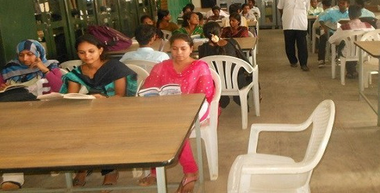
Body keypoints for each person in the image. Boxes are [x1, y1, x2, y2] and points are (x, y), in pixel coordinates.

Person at [137, 33, 214, 192]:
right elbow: (147, 89)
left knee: (176, 128)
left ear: (191, 49)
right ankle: (156, 168)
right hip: (166, 109)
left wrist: (184, 104)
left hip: (197, 108)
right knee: (150, 125)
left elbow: (205, 94)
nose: (179, 53)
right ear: (170, 49)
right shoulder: (162, 66)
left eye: (183, 49)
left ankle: (190, 171)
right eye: (175, 49)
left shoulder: (200, 66)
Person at [60, 34, 137, 189]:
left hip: (116, 109)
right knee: (73, 127)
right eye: (82, 52)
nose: (87, 56)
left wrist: (103, 100)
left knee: (100, 128)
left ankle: (109, 170)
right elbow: (71, 96)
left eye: (91, 51)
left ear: (100, 50)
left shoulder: (114, 67)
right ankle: (82, 167)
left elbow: (121, 95)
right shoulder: (77, 73)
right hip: (91, 110)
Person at [0, 39, 63, 191]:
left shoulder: (52, 66)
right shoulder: (9, 69)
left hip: (48, 111)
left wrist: (44, 69)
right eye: (21, 55)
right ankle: (12, 176)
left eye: (30, 54)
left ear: (39, 54)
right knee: (10, 132)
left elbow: (61, 87)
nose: (25, 59)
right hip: (18, 112)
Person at [199, 21, 251, 108]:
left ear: (205, 35)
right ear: (221, 31)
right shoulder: (232, 42)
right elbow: (242, 59)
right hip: (237, 81)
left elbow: (202, 67)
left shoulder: (203, 48)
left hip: (215, 83)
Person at [328, 5, 374, 78]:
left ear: (349, 14)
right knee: (353, 48)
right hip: (364, 52)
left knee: (345, 47)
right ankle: (352, 71)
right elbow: (374, 38)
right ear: (360, 14)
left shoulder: (344, 28)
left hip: (348, 53)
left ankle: (351, 71)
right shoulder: (369, 26)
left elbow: (331, 40)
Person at [277, 0, 310, 71]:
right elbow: (280, 8)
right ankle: (293, 61)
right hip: (288, 24)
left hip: (301, 24)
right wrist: (287, 16)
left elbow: (307, 9)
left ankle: (303, 63)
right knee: (289, 44)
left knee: (302, 45)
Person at [317, 0, 350, 67]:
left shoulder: (350, 13)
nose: (341, 5)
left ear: (347, 5)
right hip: (333, 31)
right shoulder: (332, 12)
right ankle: (321, 59)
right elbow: (321, 19)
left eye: (343, 3)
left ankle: (339, 56)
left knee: (345, 40)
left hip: (345, 33)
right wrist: (325, 27)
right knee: (322, 38)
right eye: (339, 3)